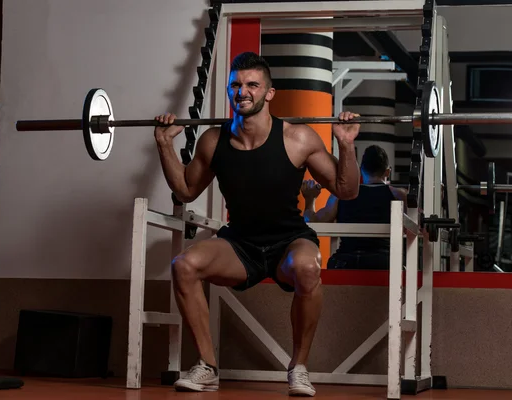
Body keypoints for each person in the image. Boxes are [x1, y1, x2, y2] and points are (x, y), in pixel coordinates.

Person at [153, 51, 361, 396]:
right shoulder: (213, 141)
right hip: (240, 244)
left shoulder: (299, 138)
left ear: (269, 93)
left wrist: (346, 144)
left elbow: (347, 190)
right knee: (184, 265)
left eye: (252, 84)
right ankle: (208, 366)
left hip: (289, 241)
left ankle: (299, 368)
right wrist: (164, 145)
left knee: (308, 268)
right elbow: (186, 190)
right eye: (236, 84)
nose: (242, 91)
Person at [301, 145, 407, 270]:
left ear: (361, 169)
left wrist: (310, 199)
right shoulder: (398, 194)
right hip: (384, 262)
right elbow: (415, 223)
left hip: (346, 261)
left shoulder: (342, 194)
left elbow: (312, 222)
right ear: (388, 172)